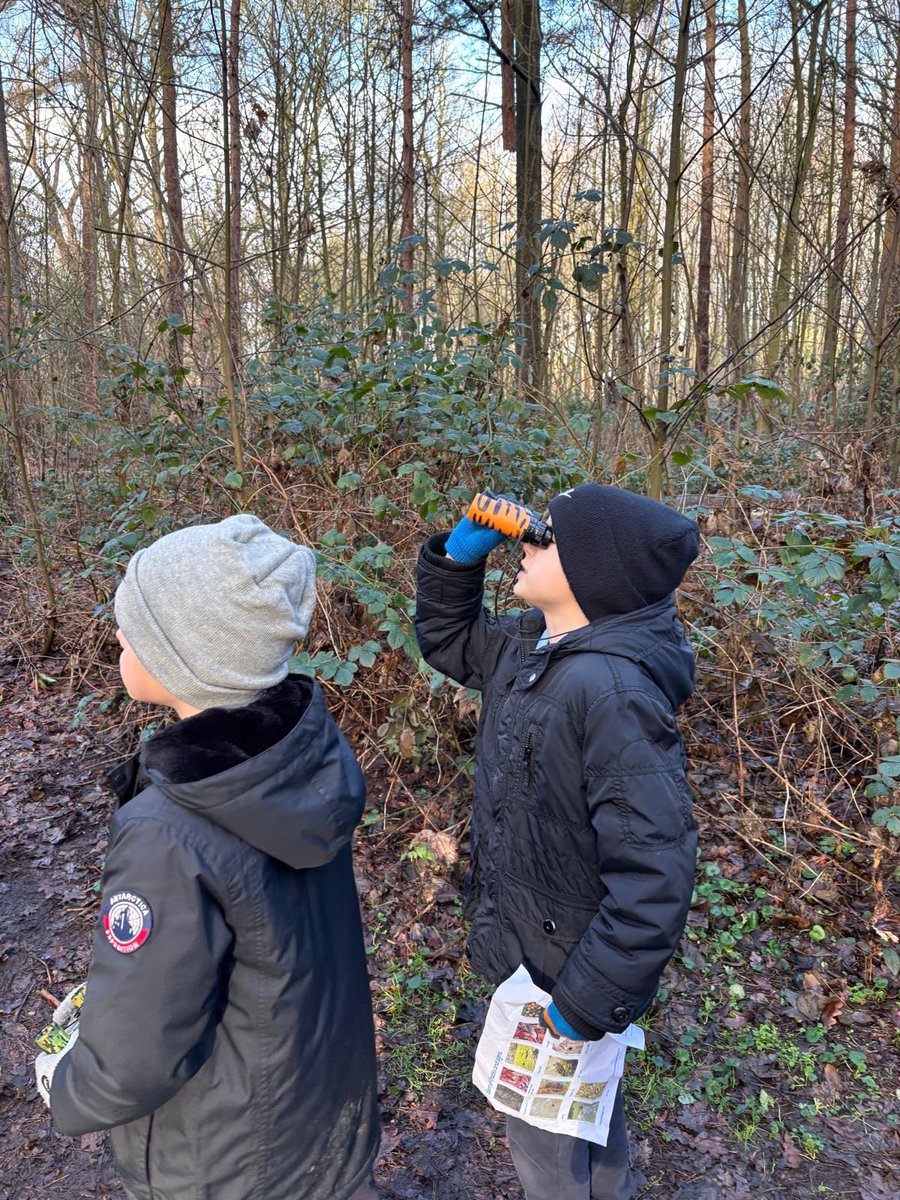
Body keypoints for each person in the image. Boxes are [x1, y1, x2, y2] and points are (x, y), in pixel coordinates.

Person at [35, 514, 380, 1200]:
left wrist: (67, 1085)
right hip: (315, 1127)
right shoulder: (298, 752)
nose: (117, 636)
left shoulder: (169, 830)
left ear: (185, 656)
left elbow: (132, 1058)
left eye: (132, 625)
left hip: (222, 1163)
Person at [414, 483, 701, 1200]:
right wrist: (456, 559)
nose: (530, 542)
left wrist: (581, 1001)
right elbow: (449, 641)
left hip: (566, 972)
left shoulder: (611, 693)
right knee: (591, 1115)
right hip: (535, 951)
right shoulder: (533, 648)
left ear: (592, 576)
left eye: (551, 538)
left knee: (543, 1145)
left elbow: (655, 877)